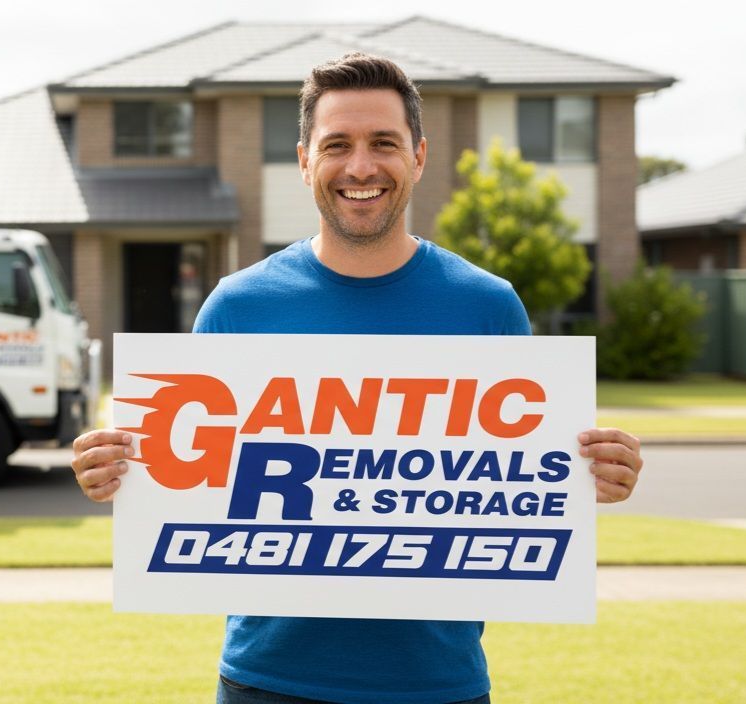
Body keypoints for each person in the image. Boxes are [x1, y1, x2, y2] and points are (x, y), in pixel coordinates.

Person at [70, 52, 644, 704]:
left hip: (438, 685)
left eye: (384, 144)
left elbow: (526, 475)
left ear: (419, 157)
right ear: (305, 161)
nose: (362, 166)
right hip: (267, 682)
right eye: (337, 144)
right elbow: (191, 479)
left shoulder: (488, 307)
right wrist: (117, 469)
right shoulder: (237, 308)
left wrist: (594, 472)